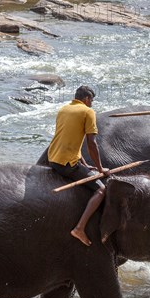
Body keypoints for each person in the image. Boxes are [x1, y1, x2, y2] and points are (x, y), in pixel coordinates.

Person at [48, 85, 110, 246]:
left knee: (88, 173)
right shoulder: (88, 112)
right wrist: (101, 169)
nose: (92, 104)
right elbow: (92, 143)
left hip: (53, 158)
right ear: (86, 99)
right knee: (101, 190)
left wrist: (86, 165)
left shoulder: (64, 109)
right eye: (92, 101)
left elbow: (69, 140)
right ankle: (79, 228)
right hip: (66, 164)